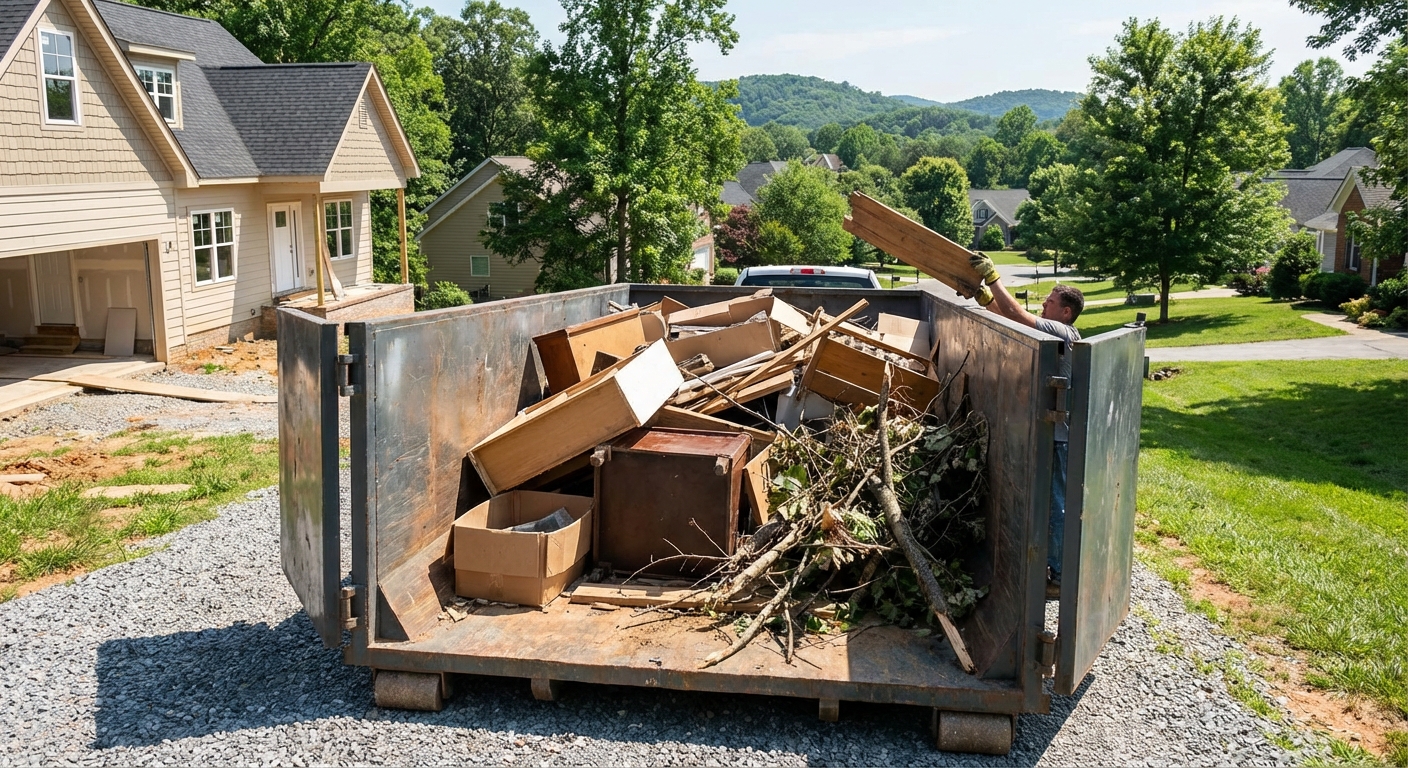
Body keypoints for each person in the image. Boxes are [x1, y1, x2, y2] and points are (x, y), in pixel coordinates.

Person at [968, 252, 1084, 600]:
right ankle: (1048, 567)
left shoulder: (1064, 332)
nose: (1044, 307)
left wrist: (992, 278)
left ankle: (1061, 576)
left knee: (1057, 504)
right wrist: (987, 301)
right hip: (1050, 434)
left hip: (1060, 438)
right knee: (1047, 502)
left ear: (1065, 311)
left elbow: (1018, 314)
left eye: (1049, 303)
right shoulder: (1056, 330)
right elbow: (1013, 321)